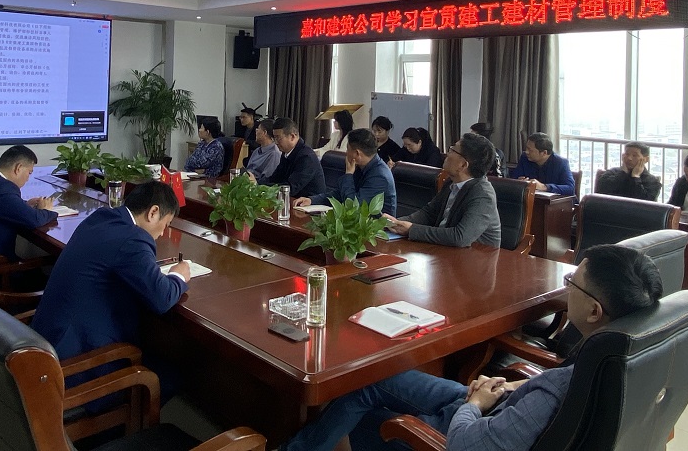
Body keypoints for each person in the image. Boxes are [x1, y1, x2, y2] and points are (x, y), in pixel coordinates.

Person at [280, 244, 663, 451]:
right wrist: (509, 385)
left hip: (474, 423)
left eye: (573, 283)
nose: (567, 288)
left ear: (595, 311)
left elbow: (466, 444)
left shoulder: (555, 391)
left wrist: (474, 405)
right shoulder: (628, 356)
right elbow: (553, 389)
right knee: (372, 379)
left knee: (366, 415)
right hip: (499, 402)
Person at [32, 181, 191, 394]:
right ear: (153, 212)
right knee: (171, 377)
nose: (163, 233)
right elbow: (162, 298)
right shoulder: (133, 239)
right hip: (74, 365)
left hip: (46, 343)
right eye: (166, 224)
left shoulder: (101, 217)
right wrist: (178, 276)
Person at [383, 133, 501, 248]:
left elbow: (460, 237)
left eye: (452, 150)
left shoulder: (483, 195)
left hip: (477, 256)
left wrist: (411, 230)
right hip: (447, 250)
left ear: (463, 165)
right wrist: (396, 223)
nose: (447, 154)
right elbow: (429, 213)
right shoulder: (451, 181)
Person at [296, 128, 397, 215]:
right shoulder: (361, 166)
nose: (346, 153)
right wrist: (312, 200)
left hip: (376, 229)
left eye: (348, 149)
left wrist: (348, 175)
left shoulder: (379, 176)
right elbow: (340, 194)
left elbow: (353, 206)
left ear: (357, 153)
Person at [250, 117, 326, 200]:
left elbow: (291, 188)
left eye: (278, 138)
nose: (276, 142)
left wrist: (259, 186)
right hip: (291, 199)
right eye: (274, 138)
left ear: (292, 137)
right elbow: (275, 178)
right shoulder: (286, 152)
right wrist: (257, 183)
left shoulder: (306, 157)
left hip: (309, 203)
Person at [509, 132, 575, 195]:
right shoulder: (525, 158)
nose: (526, 152)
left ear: (544, 153)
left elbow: (570, 188)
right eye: (526, 148)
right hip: (531, 199)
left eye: (530, 150)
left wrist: (544, 187)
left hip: (555, 202)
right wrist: (519, 182)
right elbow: (514, 179)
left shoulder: (561, 163)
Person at [595, 142, 661, 201]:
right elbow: (601, 192)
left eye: (634, 155)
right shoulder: (612, 173)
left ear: (646, 159)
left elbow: (645, 203)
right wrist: (623, 173)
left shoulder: (652, 181)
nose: (629, 158)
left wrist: (635, 177)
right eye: (627, 154)